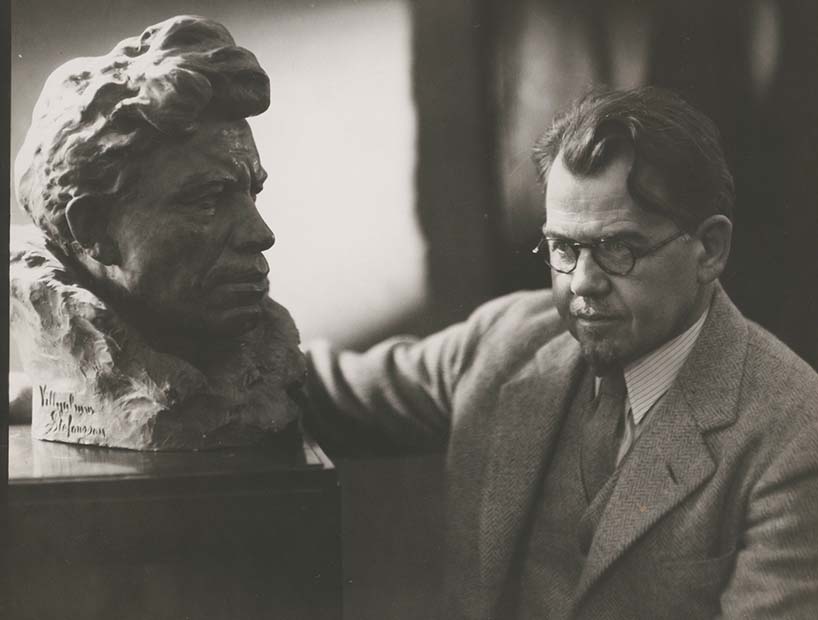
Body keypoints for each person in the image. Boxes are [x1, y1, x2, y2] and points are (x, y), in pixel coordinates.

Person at [302, 87, 818, 619]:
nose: (583, 285)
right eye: (564, 248)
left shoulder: (794, 435)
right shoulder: (507, 340)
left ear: (710, 249)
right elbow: (313, 389)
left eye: (620, 249)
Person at [10, 15, 304, 449]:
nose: (260, 234)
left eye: (251, 194)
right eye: (206, 200)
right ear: (93, 229)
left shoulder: (271, 359)